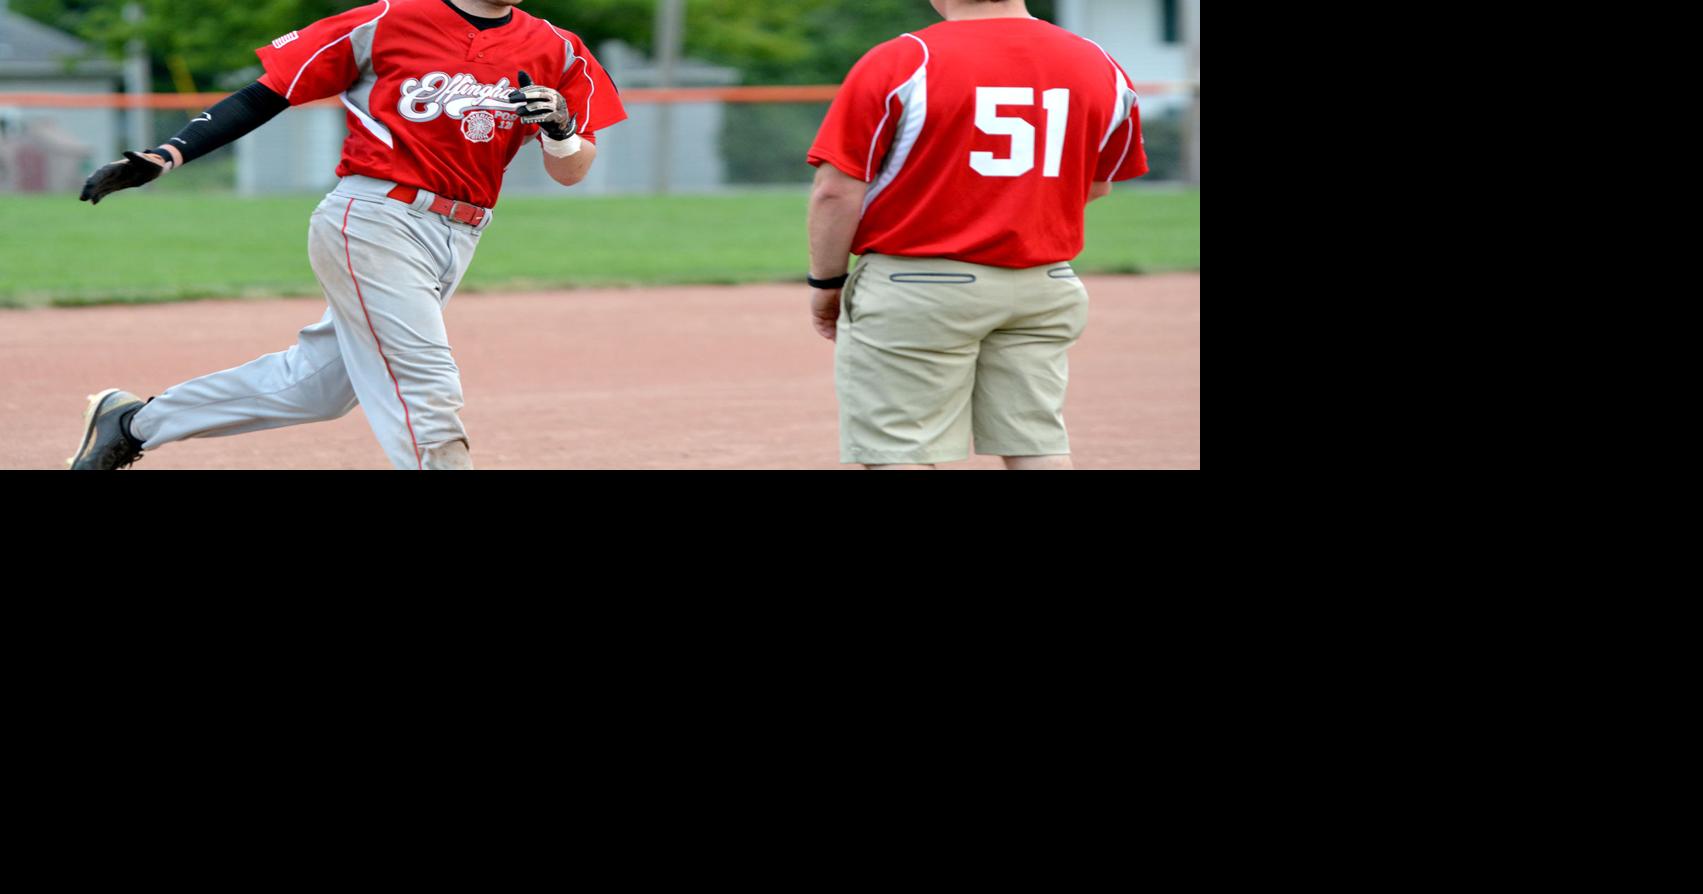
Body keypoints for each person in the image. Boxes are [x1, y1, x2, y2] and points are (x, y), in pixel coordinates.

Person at [66, 0, 626, 470]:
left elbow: (572, 170)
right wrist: (167, 156)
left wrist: (559, 128)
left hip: (459, 235)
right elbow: (268, 93)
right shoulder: (387, 20)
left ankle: (134, 423)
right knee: (425, 385)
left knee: (320, 387)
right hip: (376, 217)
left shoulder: (558, 48)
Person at [806, 0, 1148, 470]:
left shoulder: (905, 58)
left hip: (919, 285)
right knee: (1036, 443)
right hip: (1044, 286)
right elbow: (1096, 183)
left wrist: (826, 282)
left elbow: (834, 191)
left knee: (900, 449)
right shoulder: (1100, 63)